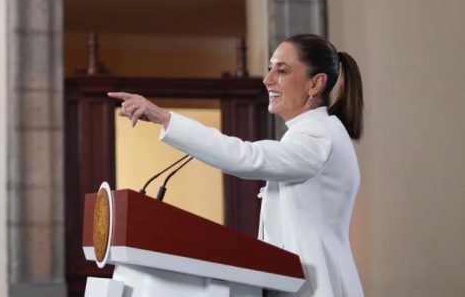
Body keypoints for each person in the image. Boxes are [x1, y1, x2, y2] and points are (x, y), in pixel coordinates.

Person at [109, 34, 364, 297]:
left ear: (315, 83)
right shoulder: (313, 133)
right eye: (270, 68)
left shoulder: (319, 137)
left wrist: (164, 118)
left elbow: (247, 158)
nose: (267, 79)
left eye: (282, 71)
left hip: (318, 288)